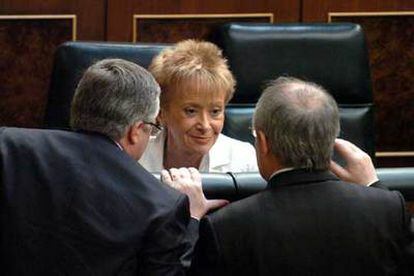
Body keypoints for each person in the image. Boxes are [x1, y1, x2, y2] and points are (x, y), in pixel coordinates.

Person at [162, 77, 414, 275]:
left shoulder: (226, 228)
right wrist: (373, 186)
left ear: (263, 142)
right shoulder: (388, 208)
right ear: (331, 139)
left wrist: (190, 219)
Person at [0, 58, 225, 275]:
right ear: (135, 131)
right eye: (151, 127)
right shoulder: (161, 204)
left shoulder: (8, 145)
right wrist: (192, 218)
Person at [139, 39, 258, 173]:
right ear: (161, 113)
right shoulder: (136, 158)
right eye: (191, 111)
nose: (205, 126)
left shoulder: (243, 159)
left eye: (215, 111)